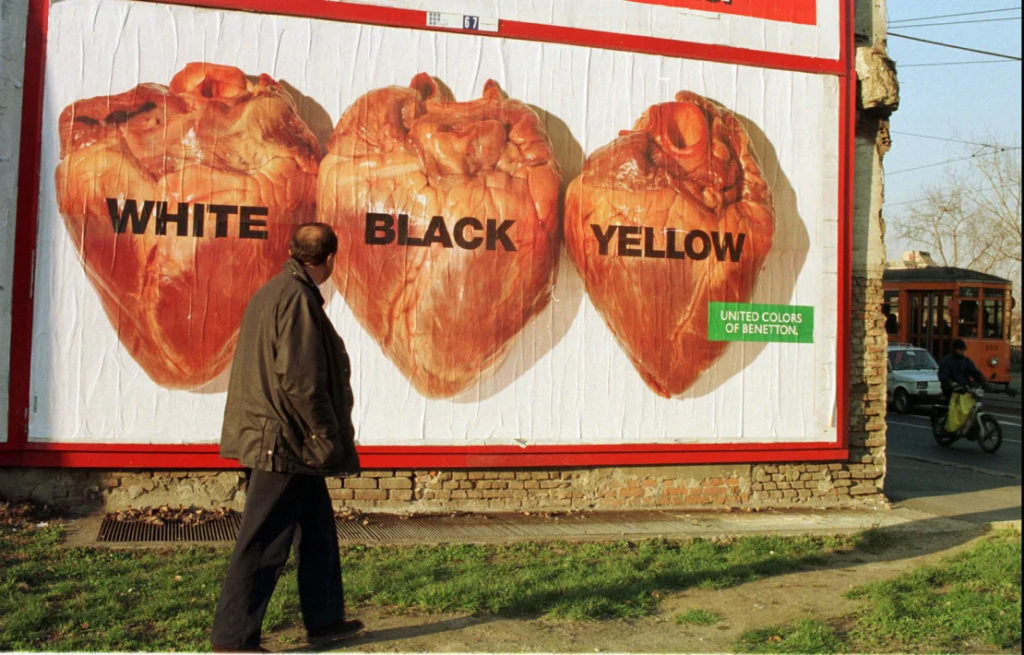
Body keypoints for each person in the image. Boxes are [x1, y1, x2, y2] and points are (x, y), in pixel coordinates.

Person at [211, 223, 363, 653]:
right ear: (330, 259)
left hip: (284, 437)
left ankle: (326, 620)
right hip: (286, 440)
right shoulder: (296, 299)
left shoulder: (272, 292)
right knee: (264, 540)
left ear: (293, 251)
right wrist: (323, 435)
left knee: (317, 532)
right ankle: (233, 638)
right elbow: (300, 379)